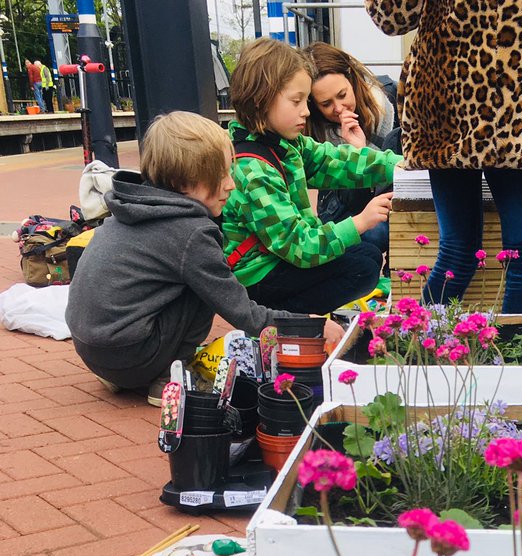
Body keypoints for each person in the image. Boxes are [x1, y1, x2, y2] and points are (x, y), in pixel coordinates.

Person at [67, 111, 325, 401]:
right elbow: (241, 311)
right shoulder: (191, 233)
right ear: (183, 183)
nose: (231, 184)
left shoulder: (131, 207)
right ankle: (167, 376)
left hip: (94, 352)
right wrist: (307, 327)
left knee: (193, 276)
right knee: (205, 285)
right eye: (221, 175)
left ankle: (126, 374)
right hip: (131, 356)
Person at [364, 0, 522, 313]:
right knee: (468, 251)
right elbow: (391, 17)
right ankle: (425, 349)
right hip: (462, 111)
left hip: (516, 113)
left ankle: (511, 354)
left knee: (518, 252)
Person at [222, 39, 401, 315]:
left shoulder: (286, 144)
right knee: (361, 269)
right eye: (297, 101)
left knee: (366, 257)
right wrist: (360, 222)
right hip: (259, 278)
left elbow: (337, 162)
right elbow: (299, 246)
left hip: (281, 258)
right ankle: (277, 316)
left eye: (306, 101)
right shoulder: (251, 170)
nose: (306, 111)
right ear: (261, 100)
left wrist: (401, 166)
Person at [306, 42, 398, 257]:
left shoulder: (390, 99)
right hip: (347, 209)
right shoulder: (315, 131)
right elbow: (348, 204)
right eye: (326, 103)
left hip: (392, 202)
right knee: (370, 238)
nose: (338, 108)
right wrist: (357, 155)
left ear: (352, 79)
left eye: (342, 94)